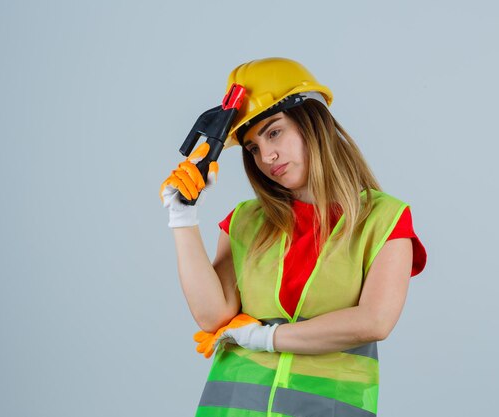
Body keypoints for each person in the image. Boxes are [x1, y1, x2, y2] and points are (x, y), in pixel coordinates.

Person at [160, 57, 427, 417]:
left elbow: (375, 321)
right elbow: (212, 317)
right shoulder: (244, 221)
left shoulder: (384, 219)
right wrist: (183, 217)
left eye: (274, 132)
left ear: (311, 123)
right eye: (253, 148)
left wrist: (266, 338)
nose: (266, 157)